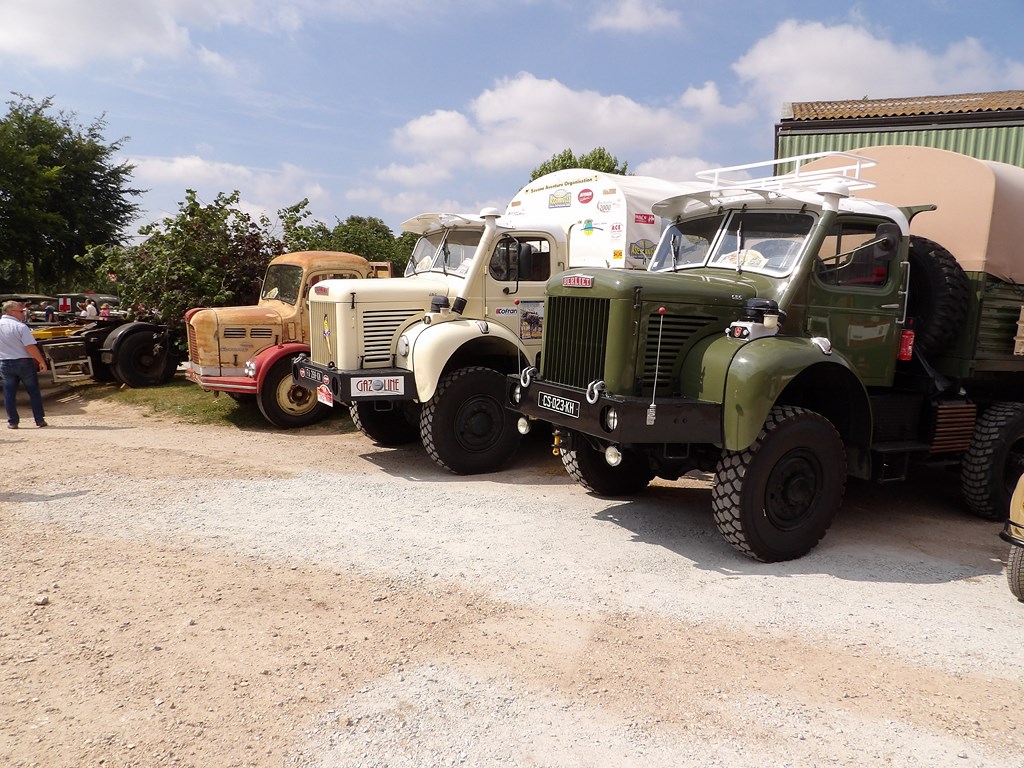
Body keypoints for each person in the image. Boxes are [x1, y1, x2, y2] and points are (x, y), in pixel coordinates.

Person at [0, 300, 48, 428]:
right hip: (23, 362)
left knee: (9, 393)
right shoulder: (20, 327)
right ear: (12, 312)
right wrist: (41, 361)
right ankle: (39, 419)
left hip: (5, 362)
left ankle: (13, 421)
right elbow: (30, 347)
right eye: (21, 311)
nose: (23, 313)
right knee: (33, 391)